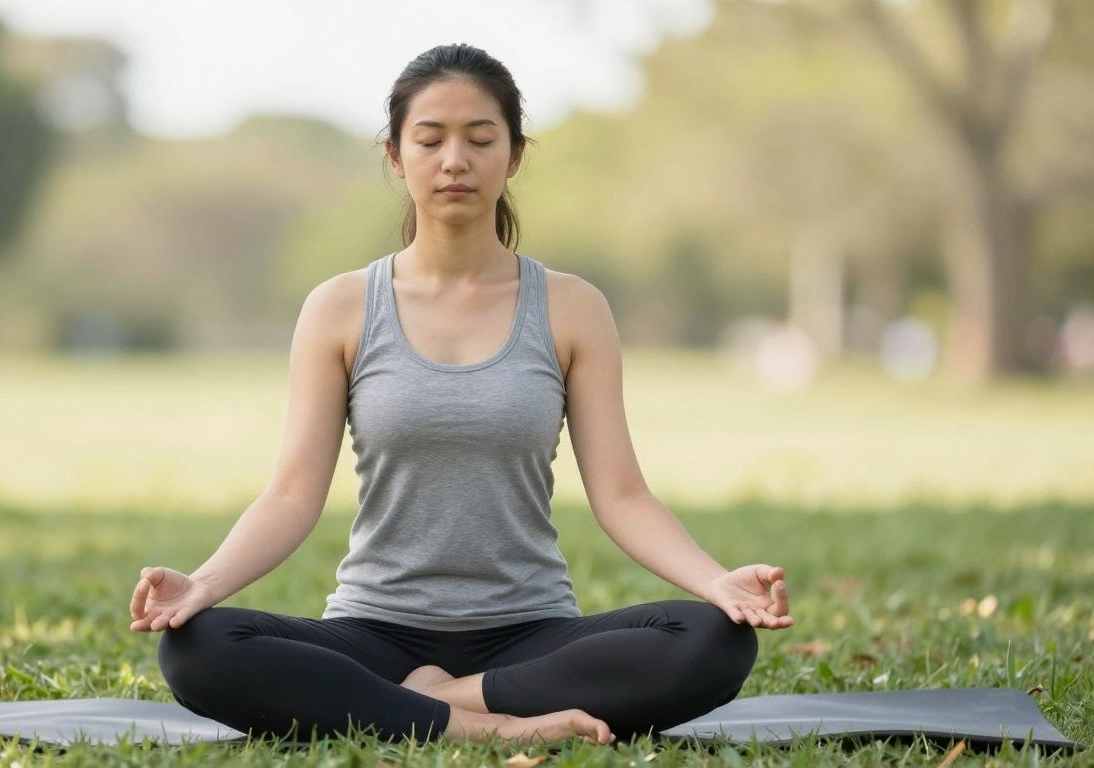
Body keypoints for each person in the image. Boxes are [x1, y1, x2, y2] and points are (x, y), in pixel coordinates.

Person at [128, 42, 793, 748]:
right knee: (198, 647)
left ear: (514, 156)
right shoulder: (340, 307)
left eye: (480, 139)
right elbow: (292, 494)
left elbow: (623, 494)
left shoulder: (572, 307)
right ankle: (489, 729)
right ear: (396, 156)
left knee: (714, 638)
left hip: (529, 634)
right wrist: (203, 585)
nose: (455, 160)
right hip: (374, 631)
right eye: (430, 139)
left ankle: (432, 704)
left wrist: (716, 582)